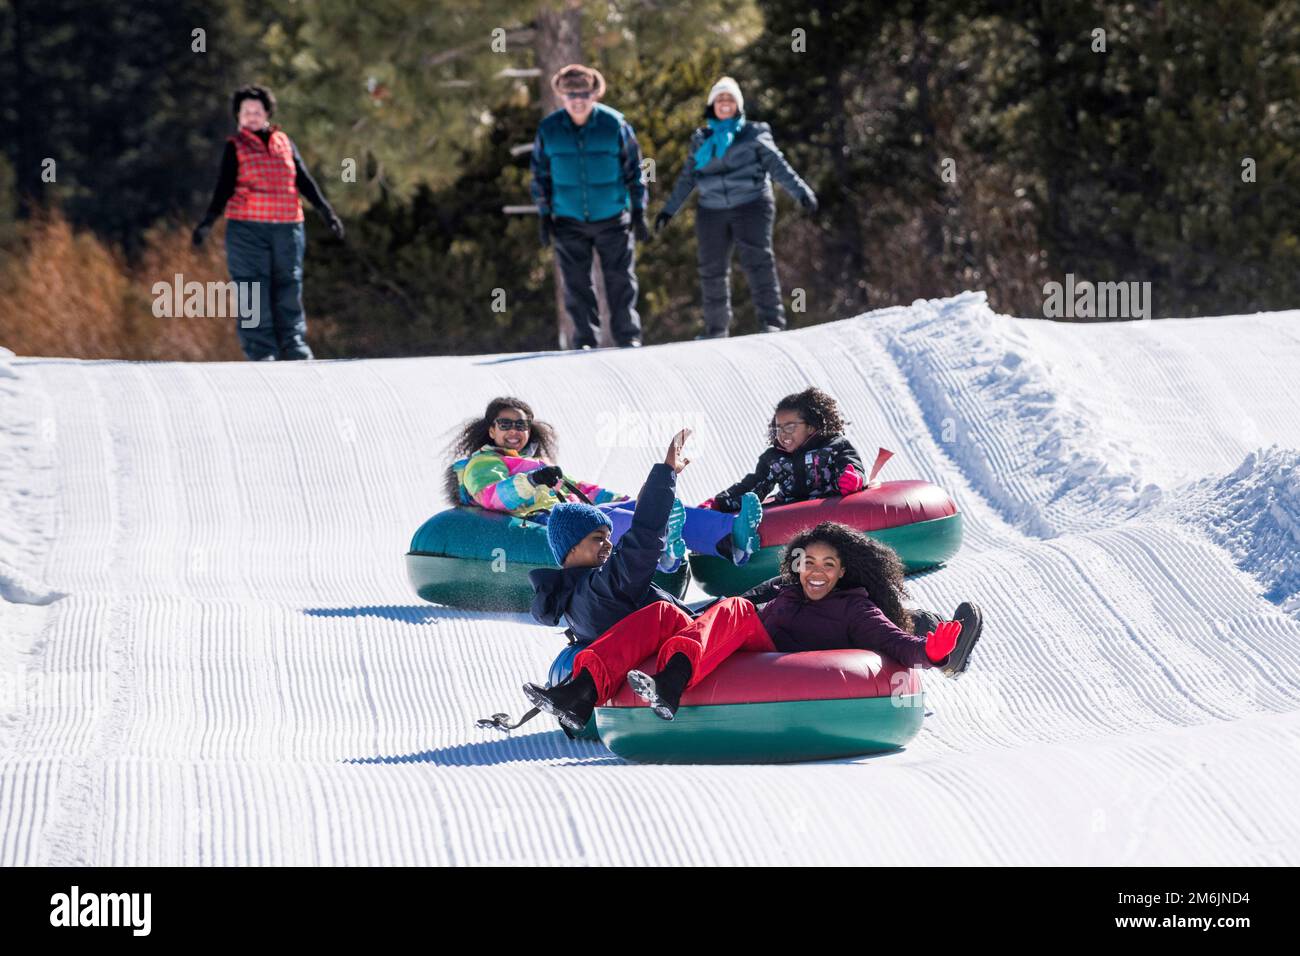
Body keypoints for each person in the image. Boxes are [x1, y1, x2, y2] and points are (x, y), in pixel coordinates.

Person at [525, 519, 984, 731]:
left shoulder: (854, 608)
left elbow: (896, 644)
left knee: (735, 611)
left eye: (829, 564)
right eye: (807, 562)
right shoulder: (785, 589)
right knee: (667, 613)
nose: (816, 571)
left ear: (844, 571)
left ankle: (672, 682)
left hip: (774, 656)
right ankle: (578, 694)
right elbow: (740, 604)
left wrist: (932, 653)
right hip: (740, 644)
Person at [445, 401, 762, 572]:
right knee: (607, 524)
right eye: (506, 424)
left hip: (568, 514)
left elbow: (584, 490)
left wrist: (634, 499)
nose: (514, 431)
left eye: (521, 425)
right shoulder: (482, 464)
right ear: (491, 430)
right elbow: (492, 496)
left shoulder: (537, 464)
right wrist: (530, 482)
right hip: (541, 523)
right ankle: (663, 555)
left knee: (647, 510)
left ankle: (730, 540)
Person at [654, 76, 817, 338]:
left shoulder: (754, 134)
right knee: (711, 269)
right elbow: (688, 177)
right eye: (720, 99)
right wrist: (668, 210)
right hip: (711, 208)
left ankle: (771, 322)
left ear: (738, 105)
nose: (725, 103)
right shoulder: (701, 140)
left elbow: (777, 165)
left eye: (730, 99)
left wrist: (802, 193)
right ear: (712, 106)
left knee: (758, 262)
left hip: (751, 203)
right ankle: (716, 330)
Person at [192, 85, 343, 361]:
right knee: (252, 288)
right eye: (246, 111)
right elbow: (223, 188)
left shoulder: (284, 142)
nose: (251, 116)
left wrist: (326, 211)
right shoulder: (235, 146)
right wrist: (207, 222)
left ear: (267, 114)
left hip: (287, 227)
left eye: (257, 111)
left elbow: (304, 180)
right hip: (248, 229)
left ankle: (294, 345)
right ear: (238, 115)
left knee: (289, 285)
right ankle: (261, 350)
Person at [530, 64, 650, 350]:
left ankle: (627, 335)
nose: (578, 100)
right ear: (561, 96)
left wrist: (639, 209)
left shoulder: (615, 124)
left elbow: (635, 168)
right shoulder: (549, 129)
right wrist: (545, 215)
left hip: (611, 216)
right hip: (569, 219)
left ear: (595, 94)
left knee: (620, 280)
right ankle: (584, 339)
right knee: (576, 284)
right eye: (571, 94)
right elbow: (540, 174)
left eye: (584, 93)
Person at [703, 387, 866, 515]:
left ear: (810, 426)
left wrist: (853, 479)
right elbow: (754, 485)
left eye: (789, 427)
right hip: (789, 513)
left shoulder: (834, 447)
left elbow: (850, 464)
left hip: (829, 507)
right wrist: (720, 502)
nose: (782, 434)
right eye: (778, 428)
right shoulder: (774, 459)